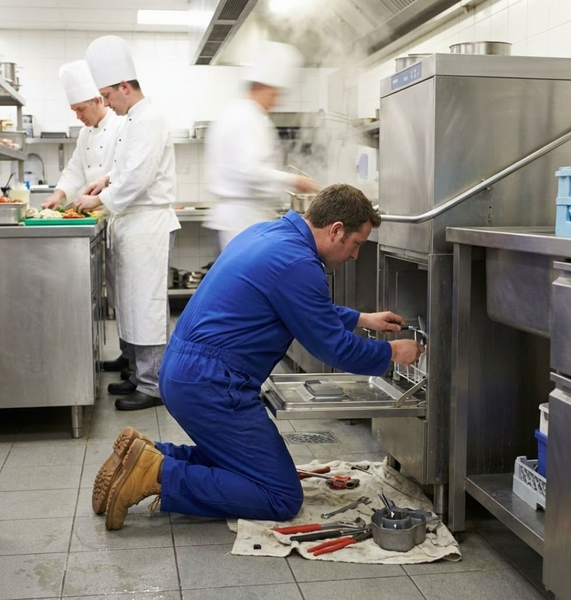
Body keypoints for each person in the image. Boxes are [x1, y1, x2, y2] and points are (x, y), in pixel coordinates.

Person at [92, 183, 425, 530]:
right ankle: (160, 473)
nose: (355, 255)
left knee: (239, 464)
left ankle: (148, 455)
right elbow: (334, 347)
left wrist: (360, 318)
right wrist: (391, 352)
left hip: (185, 372)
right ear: (336, 230)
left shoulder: (270, 234)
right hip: (213, 386)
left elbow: (301, 306)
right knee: (279, 495)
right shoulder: (298, 263)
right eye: (356, 245)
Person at [75, 35, 180, 411]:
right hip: (130, 225)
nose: (105, 103)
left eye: (107, 95)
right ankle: (138, 374)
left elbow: (137, 178)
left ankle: (153, 386)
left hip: (146, 225)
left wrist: (99, 199)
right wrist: (105, 181)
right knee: (130, 303)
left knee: (145, 305)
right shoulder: (133, 119)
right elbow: (124, 170)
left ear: (124, 86)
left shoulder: (149, 118)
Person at [41, 60, 130, 378]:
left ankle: (134, 359)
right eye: (74, 110)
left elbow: (121, 170)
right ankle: (126, 352)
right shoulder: (84, 133)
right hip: (100, 219)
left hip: (115, 212)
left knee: (126, 293)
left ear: (97, 100)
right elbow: (75, 169)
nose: (78, 115)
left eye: (81, 108)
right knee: (117, 293)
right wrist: (58, 195)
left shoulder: (121, 125)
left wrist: (99, 192)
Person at [205, 41, 318, 251]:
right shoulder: (247, 117)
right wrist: (295, 180)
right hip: (243, 222)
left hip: (242, 219)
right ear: (259, 86)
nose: (277, 102)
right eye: (275, 95)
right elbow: (250, 172)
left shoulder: (238, 113)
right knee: (246, 282)